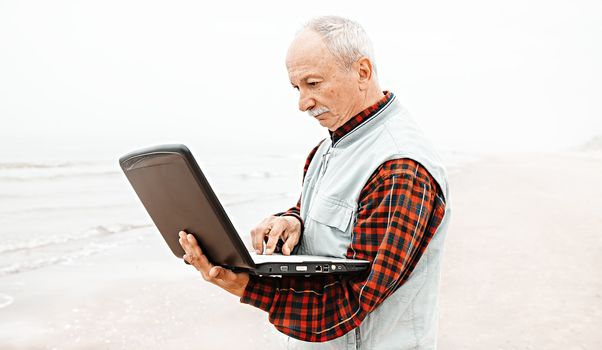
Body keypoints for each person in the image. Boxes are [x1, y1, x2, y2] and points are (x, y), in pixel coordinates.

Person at [178, 15, 451, 349]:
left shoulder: (400, 168)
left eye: (313, 83)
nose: (302, 103)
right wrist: (292, 220)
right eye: (297, 87)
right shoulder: (327, 147)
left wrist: (244, 286)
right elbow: (329, 213)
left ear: (362, 72)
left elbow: (351, 303)